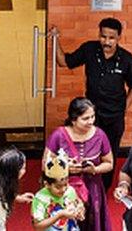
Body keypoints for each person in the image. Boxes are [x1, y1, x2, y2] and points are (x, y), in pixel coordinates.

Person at [55, 18, 132, 188]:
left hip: (114, 117)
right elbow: (64, 62)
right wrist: (55, 39)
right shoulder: (89, 49)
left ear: (119, 37)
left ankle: (103, 189)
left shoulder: (127, 59)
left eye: (111, 38)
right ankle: (82, 185)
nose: (106, 42)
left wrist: (123, 110)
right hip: (91, 116)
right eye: (103, 36)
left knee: (109, 154)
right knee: (85, 150)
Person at [44, 98, 113, 231]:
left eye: (92, 116)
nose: (91, 121)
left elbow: (109, 163)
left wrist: (95, 169)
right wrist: (65, 167)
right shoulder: (58, 135)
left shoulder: (100, 135)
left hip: (92, 189)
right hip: (64, 189)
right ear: (73, 119)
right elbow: (45, 164)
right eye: (85, 118)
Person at [32, 151, 85, 231]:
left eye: (66, 184)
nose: (63, 189)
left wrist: (80, 210)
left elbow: (78, 202)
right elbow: (38, 226)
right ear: (47, 184)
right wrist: (59, 215)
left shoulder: (70, 190)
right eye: (58, 187)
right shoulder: (40, 198)